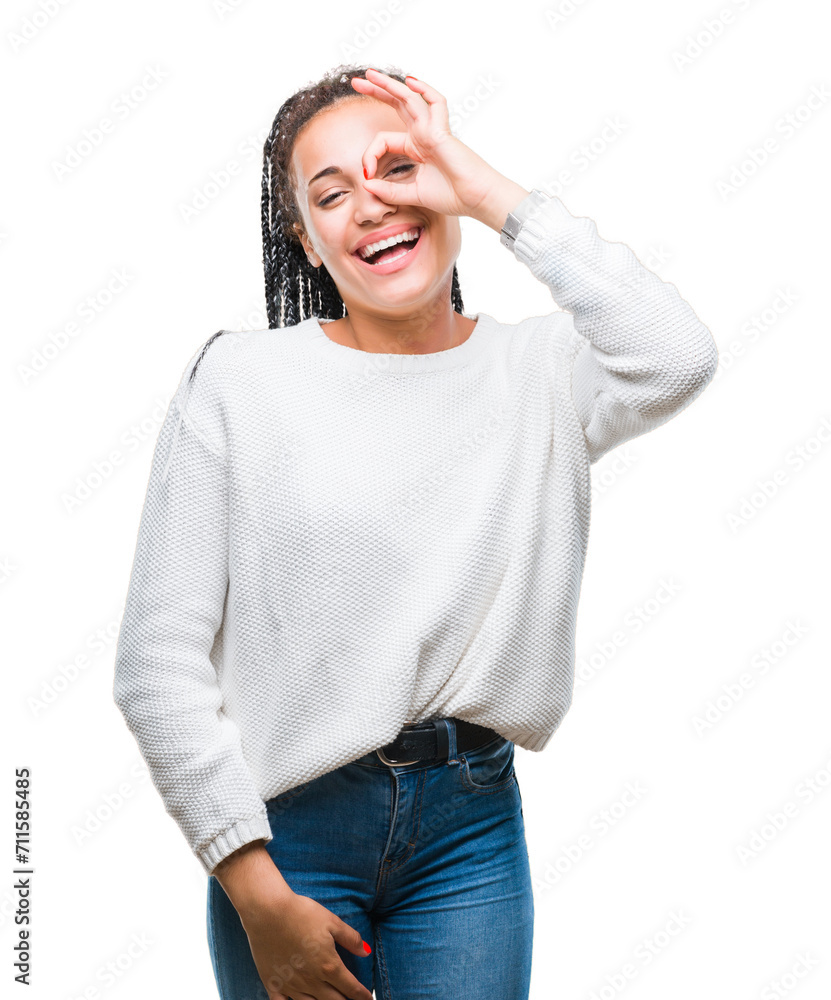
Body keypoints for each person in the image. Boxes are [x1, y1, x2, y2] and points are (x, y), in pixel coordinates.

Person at [113, 64, 719, 1000]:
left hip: (470, 833)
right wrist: (252, 888)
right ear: (306, 245)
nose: (370, 206)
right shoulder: (240, 384)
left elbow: (676, 354)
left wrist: (487, 192)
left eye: (396, 169)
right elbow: (157, 666)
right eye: (330, 195)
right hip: (289, 839)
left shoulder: (542, 374)